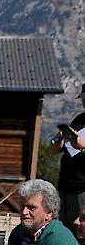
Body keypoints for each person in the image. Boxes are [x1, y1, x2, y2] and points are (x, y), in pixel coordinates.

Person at [56, 83, 85, 229]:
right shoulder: (79, 120)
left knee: (80, 227)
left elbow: (80, 144)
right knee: (64, 226)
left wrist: (79, 143)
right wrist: (63, 138)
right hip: (66, 183)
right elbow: (59, 149)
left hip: (82, 188)